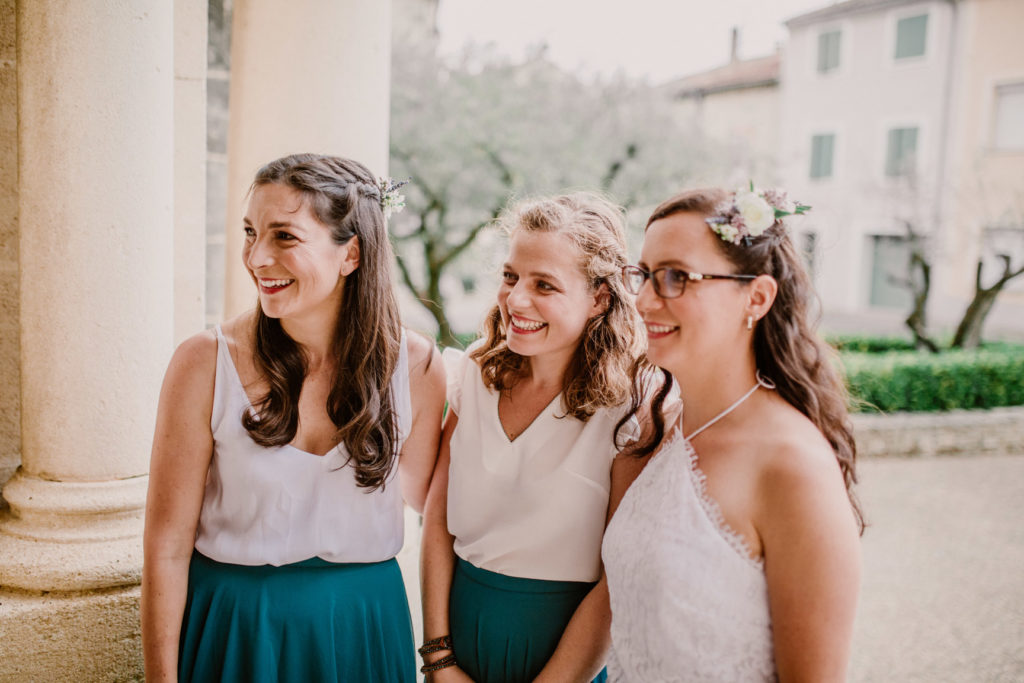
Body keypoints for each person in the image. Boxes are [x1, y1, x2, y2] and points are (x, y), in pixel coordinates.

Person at [141, 153, 446, 683]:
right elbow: (166, 545)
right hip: (236, 629)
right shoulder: (203, 363)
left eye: (284, 236)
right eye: (250, 232)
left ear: (351, 253)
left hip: (364, 629)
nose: (257, 256)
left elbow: (435, 505)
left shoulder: (416, 366)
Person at [602, 187, 863, 682]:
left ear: (757, 297)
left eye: (676, 277)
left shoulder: (791, 464)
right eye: (644, 275)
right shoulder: (652, 431)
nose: (642, 300)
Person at [418, 193, 646, 682]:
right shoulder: (474, 377)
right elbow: (437, 520)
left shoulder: (628, 411)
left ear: (600, 298)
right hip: (458, 646)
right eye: (510, 277)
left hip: (567, 660)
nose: (516, 299)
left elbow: (617, 581)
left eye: (545, 285)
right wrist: (438, 659)